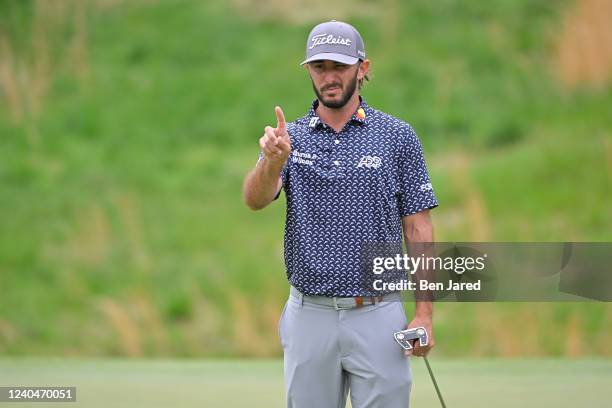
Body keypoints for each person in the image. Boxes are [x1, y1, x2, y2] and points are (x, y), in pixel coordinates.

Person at [243, 20, 438, 408]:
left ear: (362, 69)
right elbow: (255, 199)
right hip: (309, 312)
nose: (329, 77)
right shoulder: (289, 138)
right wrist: (271, 161)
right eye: (319, 68)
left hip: (378, 312)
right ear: (309, 72)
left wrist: (424, 315)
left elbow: (418, 226)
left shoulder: (397, 136)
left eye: (339, 67)